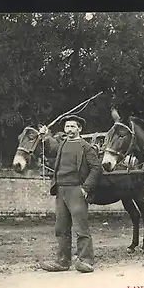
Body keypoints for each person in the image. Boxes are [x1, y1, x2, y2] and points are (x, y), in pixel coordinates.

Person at [37, 115, 102, 273]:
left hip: (76, 190)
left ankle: (86, 260)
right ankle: (62, 261)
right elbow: (49, 150)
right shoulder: (62, 144)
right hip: (61, 190)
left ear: (79, 129)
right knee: (61, 227)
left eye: (73, 127)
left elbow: (97, 168)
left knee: (81, 227)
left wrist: (86, 188)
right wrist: (45, 137)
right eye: (67, 127)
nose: (70, 130)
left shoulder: (85, 147)